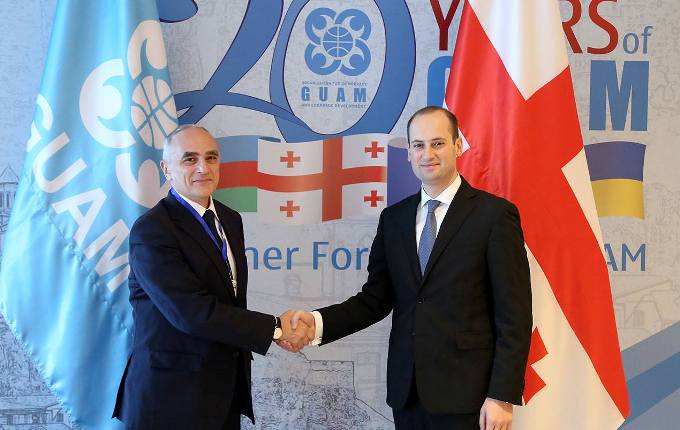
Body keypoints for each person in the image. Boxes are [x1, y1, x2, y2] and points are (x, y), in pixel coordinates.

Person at [288, 106, 532, 430]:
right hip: (408, 395)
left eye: (438, 143)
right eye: (418, 145)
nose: (427, 154)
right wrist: (318, 322)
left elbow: (514, 316)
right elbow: (374, 300)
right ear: (408, 153)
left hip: (470, 397)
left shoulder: (494, 216)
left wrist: (501, 395)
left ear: (458, 146)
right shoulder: (393, 219)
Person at [112, 125, 313, 430]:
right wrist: (276, 328)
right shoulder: (152, 230)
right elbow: (191, 313)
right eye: (189, 159)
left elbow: (228, 299)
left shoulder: (231, 220)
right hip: (169, 399)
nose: (203, 168)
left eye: (211, 157)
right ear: (167, 169)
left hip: (223, 393)